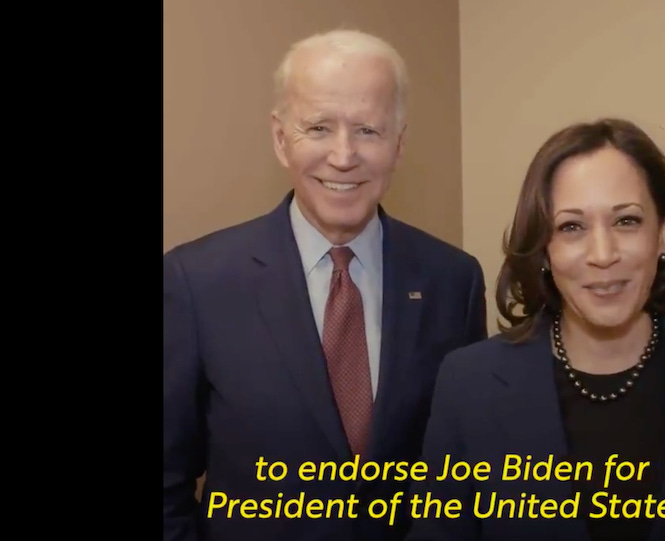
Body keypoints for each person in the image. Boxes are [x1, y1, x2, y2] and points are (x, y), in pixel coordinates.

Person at [163, 29, 488, 541]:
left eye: (368, 130)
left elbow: (465, 474)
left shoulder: (454, 281)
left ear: (399, 144)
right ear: (280, 139)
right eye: (318, 127)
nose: (343, 155)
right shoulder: (196, 282)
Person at [405, 118, 665, 541]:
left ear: (664, 235)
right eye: (571, 227)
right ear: (545, 249)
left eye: (627, 221)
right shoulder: (469, 384)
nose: (603, 254)